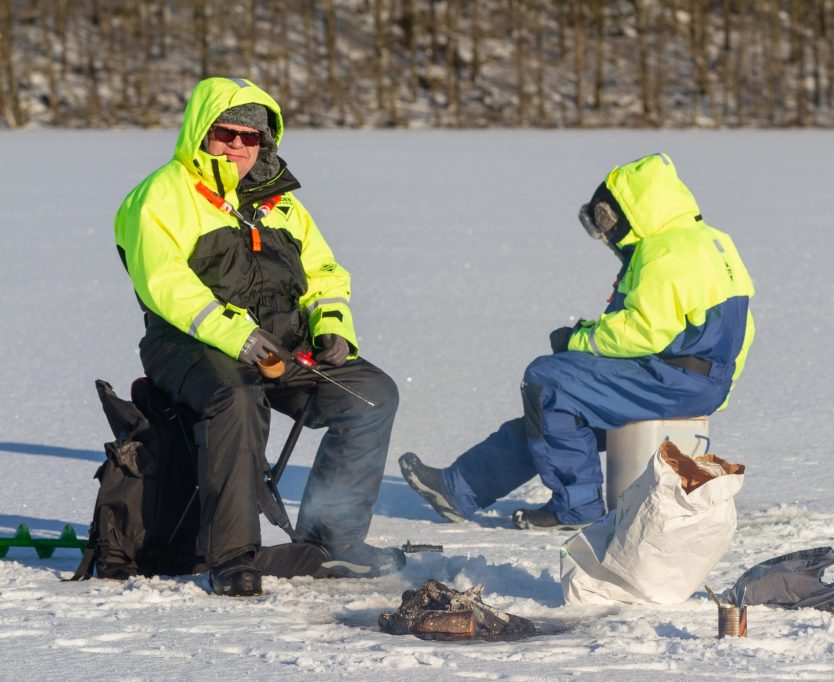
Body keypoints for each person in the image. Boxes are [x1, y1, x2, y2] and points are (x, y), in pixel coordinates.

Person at [114, 77, 402, 596]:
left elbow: (325, 275)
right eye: (227, 133)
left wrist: (333, 327)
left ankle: (331, 541)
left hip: (279, 348)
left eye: (253, 138)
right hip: (189, 347)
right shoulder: (159, 196)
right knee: (238, 397)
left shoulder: (281, 204)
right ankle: (232, 557)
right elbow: (166, 286)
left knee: (372, 396)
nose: (239, 146)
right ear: (202, 131)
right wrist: (239, 337)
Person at [400, 153, 755, 530]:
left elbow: (642, 331)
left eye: (608, 217)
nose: (607, 230)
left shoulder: (663, 252)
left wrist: (577, 341)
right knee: (555, 413)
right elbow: (741, 329)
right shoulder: (713, 242)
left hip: (671, 380)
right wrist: (717, 387)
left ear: (634, 209)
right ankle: (458, 489)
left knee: (547, 380)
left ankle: (577, 509)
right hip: (693, 382)